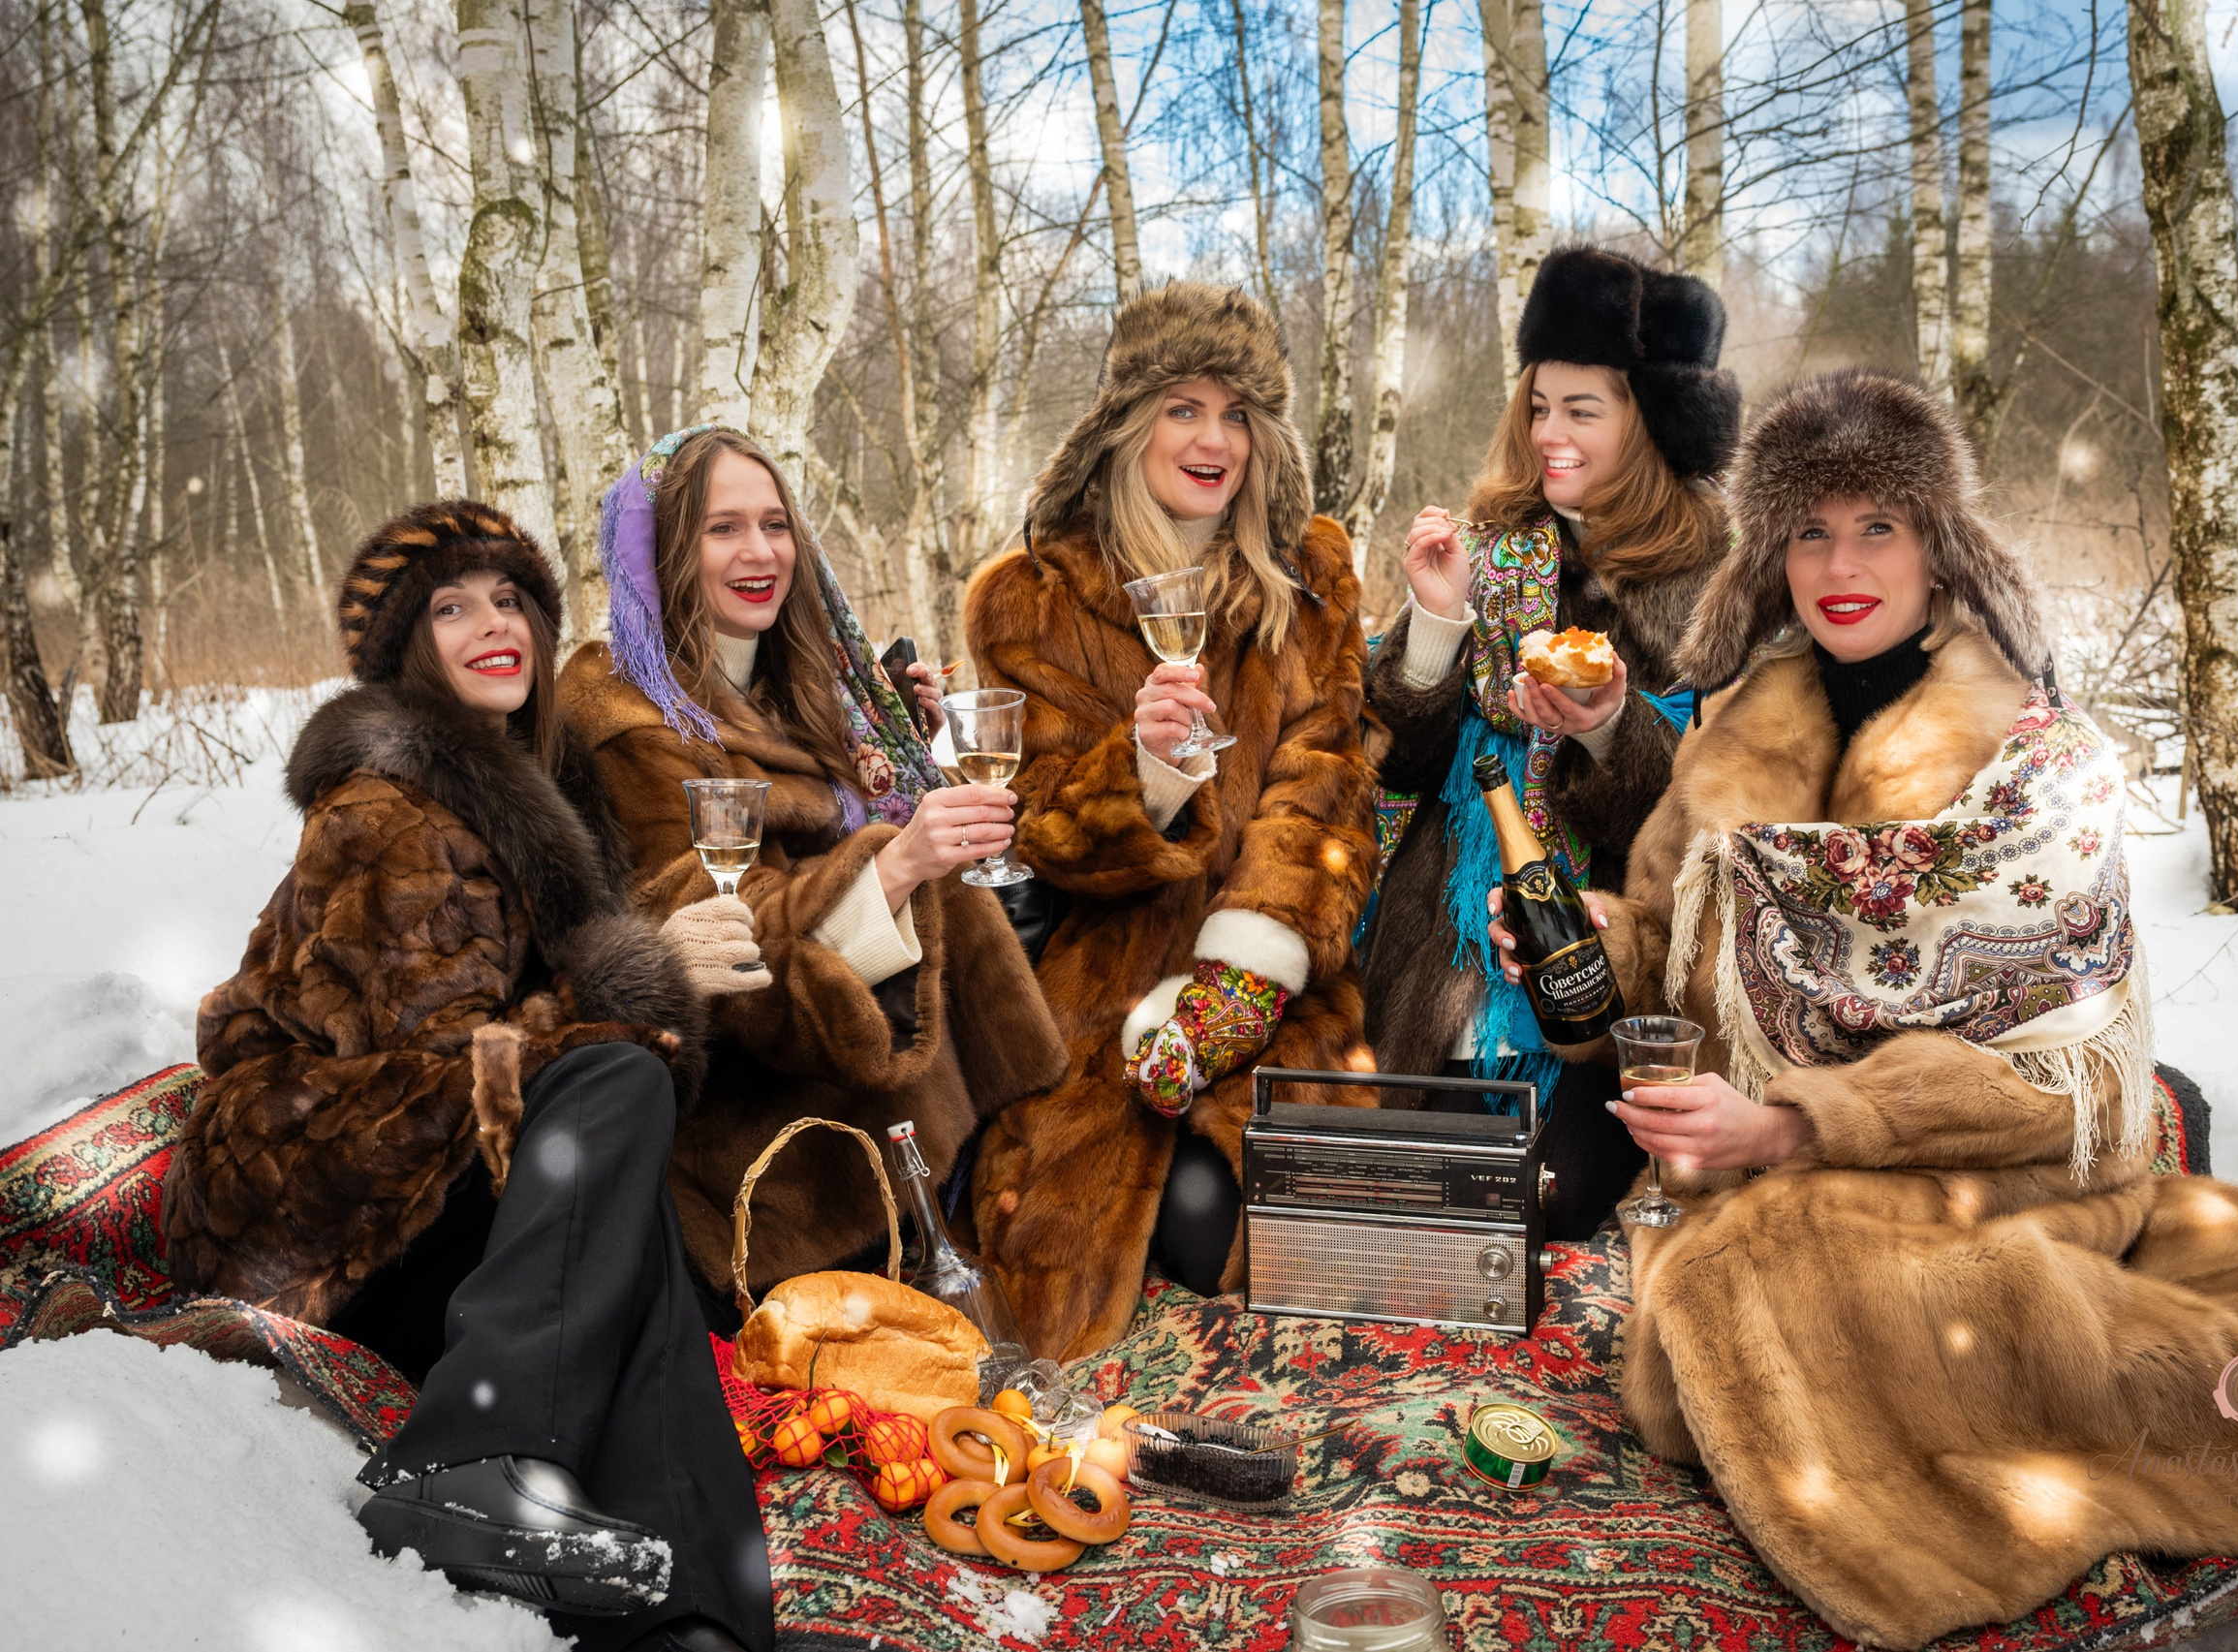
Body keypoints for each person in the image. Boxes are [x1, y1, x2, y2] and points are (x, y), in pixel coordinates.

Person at [1508, 369, 2238, 1651]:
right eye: (1810, 529)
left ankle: (2088, 1456)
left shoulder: (2034, 759)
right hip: (1759, 1154)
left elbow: (2058, 1077)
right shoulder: (1739, 727)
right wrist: (1578, 951)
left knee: (1744, 1280)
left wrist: (1791, 1125)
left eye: (1877, 526)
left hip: (1993, 1156)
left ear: (1936, 543)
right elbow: (1683, 962)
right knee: (1718, 1308)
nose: (1842, 560)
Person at [162, 502, 776, 1652]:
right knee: (613, 1090)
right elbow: (435, 1068)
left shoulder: (534, 796)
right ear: (410, 651)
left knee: (625, 1183)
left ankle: (694, 1619)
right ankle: (467, 1460)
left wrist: (624, 997)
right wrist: (630, 993)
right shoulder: (385, 806)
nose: (492, 626)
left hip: (431, 1173)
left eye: (510, 601)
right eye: (451, 608)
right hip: (314, 1178)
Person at [962, 282, 1381, 1360]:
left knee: (1258, 1242)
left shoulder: (1309, 577)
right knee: (1067, 1279)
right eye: (1183, 407)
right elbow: (1035, 825)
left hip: (1271, 985)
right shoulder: (1032, 597)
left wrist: (1244, 974)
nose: (1214, 439)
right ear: (1124, 421)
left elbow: (1326, 789)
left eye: (1238, 412)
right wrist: (1144, 771)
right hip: (1097, 989)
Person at [560, 426, 1065, 1315]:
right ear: (665, 549)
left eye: (775, 523)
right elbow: (725, 927)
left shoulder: (814, 684)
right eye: (723, 529)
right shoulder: (624, 712)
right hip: (771, 1140)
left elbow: (874, 821)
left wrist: (905, 764)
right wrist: (898, 858)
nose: (760, 552)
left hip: (906, 1076)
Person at [1360, 245, 1736, 1237]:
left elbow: (1699, 805)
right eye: (1539, 405)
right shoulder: (1487, 547)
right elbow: (1392, 758)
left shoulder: (1706, 578)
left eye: (1584, 409)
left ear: (1644, 419)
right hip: (1441, 935)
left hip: (1606, 951)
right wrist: (1437, 622)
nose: (1551, 435)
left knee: (1550, 1196)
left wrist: (1609, 725)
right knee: (1423, 1186)